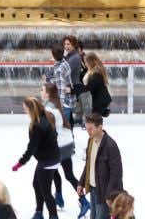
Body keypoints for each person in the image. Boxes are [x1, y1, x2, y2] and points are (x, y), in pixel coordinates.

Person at [42, 83, 90, 216]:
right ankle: (63, 197)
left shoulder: (49, 108)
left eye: (42, 89)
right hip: (66, 143)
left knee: (54, 171)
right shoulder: (56, 104)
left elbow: (49, 130)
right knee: (66, 174)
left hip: (60, 145)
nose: (40, 91)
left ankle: (75, 199)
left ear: (48, 93)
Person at [12, 97, 60, 219]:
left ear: (31, 109)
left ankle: (53, 216)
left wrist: (20, 163)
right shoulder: (47, 117)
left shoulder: (37, 126)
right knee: (36, 184)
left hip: (47, 161)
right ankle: (39, 212)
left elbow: (31, 148)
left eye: (25, 109)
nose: (25, 111)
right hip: (51, 158)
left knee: (46, 192)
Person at [78, 113, 123, 219]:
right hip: (93, 190)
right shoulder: (91, 140)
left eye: (91, 129)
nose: (88, 132)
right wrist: (81, 182)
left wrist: (109, 195)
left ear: (100, 127)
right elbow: (89, 164)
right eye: (87, 128)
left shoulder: (110, 145)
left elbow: (116, 173)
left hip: (104, 193)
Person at [45, 46, 74, 123]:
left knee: (63, 128)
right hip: (69, 101)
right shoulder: (65, 63)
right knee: (67, 127)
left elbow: (61, 89)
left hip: (64, 104)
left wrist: (60, 107)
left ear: (54, 56)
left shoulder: (59, 70)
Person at [63, 36, 85, 125]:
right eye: (65, 44)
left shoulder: (75, 57)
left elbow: (63, 71)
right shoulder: (70, 56)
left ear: (74, 45)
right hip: (68, 90)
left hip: (71, 91)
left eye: (68, 44)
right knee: (67, 117)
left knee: (67, 118)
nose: (66, 46)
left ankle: (68, 136)